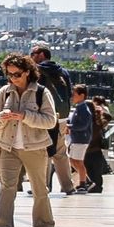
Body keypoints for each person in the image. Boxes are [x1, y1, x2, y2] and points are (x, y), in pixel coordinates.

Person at [0, 54, 58, 227]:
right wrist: (2, 117)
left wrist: (25, 116)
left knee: (39, 189)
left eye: (17, 74)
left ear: (27, 72)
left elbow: (50, 121)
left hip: (35, 147)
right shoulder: (5, 92)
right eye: (9, 74)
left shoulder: (41, 93)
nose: (13, 78)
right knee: (7, 188)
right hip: (8, 146)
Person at [31, 45, 75, 194]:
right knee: (61, 153)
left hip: (46, 116)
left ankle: (44, 186)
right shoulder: (63, 71)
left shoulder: (37, 70)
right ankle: (68, 186)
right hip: (62, 116)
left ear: (42, 55)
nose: (31, 56)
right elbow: (69, 93)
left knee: (43, 151)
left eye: (34, 53)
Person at [67, 85, 94, 191]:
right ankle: (86, 180)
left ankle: (83, 183)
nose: (72, 97)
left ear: (81, 95)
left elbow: (83, 125)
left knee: (78, 161)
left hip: (81, 139)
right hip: (76, 138)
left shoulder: (84, 109)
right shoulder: (79, 108)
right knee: (73, 160)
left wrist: (69, 127)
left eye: (74, 94)